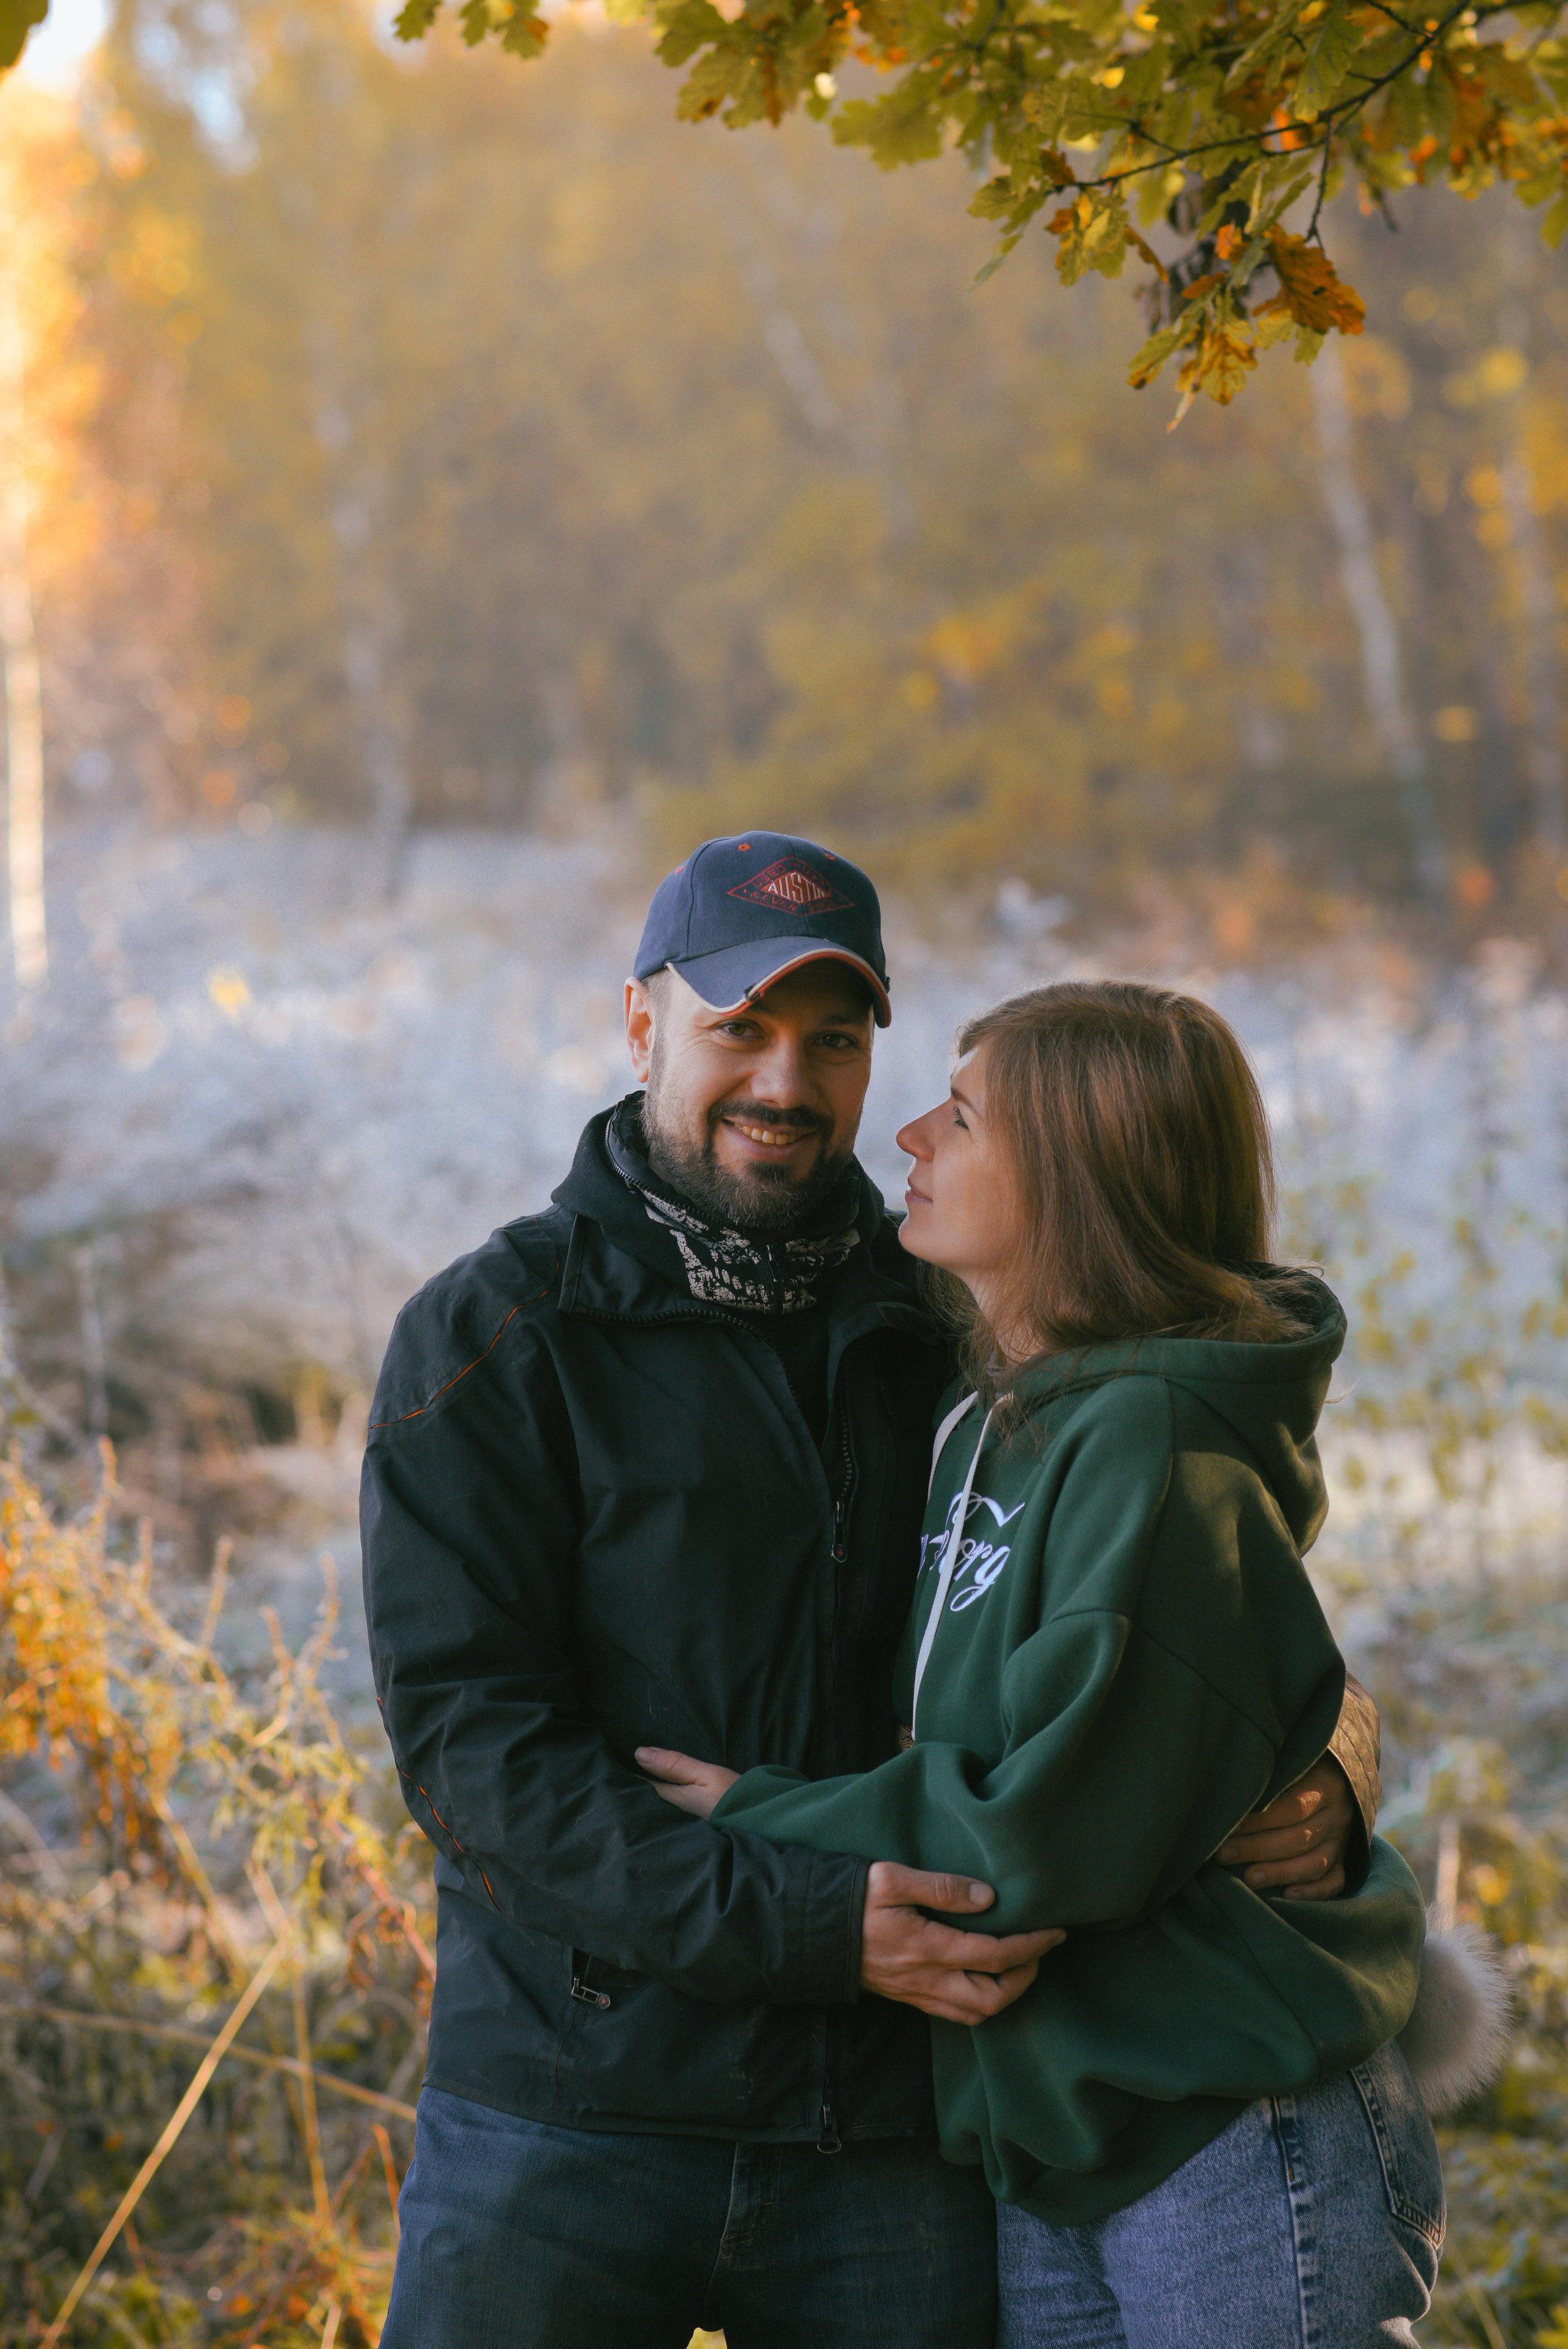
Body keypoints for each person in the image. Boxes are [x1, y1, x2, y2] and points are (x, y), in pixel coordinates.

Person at [362, 842, 1381, 2349]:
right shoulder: (501, 1334)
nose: (786, 1082)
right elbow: (475, 1752)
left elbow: (1201, 1590)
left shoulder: (967, 1314)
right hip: (569, 2119)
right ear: (641, 1024)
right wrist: (811, 1925)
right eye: (738, 1028)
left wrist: (1335, 1756)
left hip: (892, 2138)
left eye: (832, 1040)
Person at [641, 979, 1443, 2349]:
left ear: (1075, 1178)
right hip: (1060, 2130)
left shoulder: (1151, 1446)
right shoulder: (987, 1415)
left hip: (1224, 2128)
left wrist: (760, 1818)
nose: (907, 1135)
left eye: (959, 1117)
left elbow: (1048, 1830)